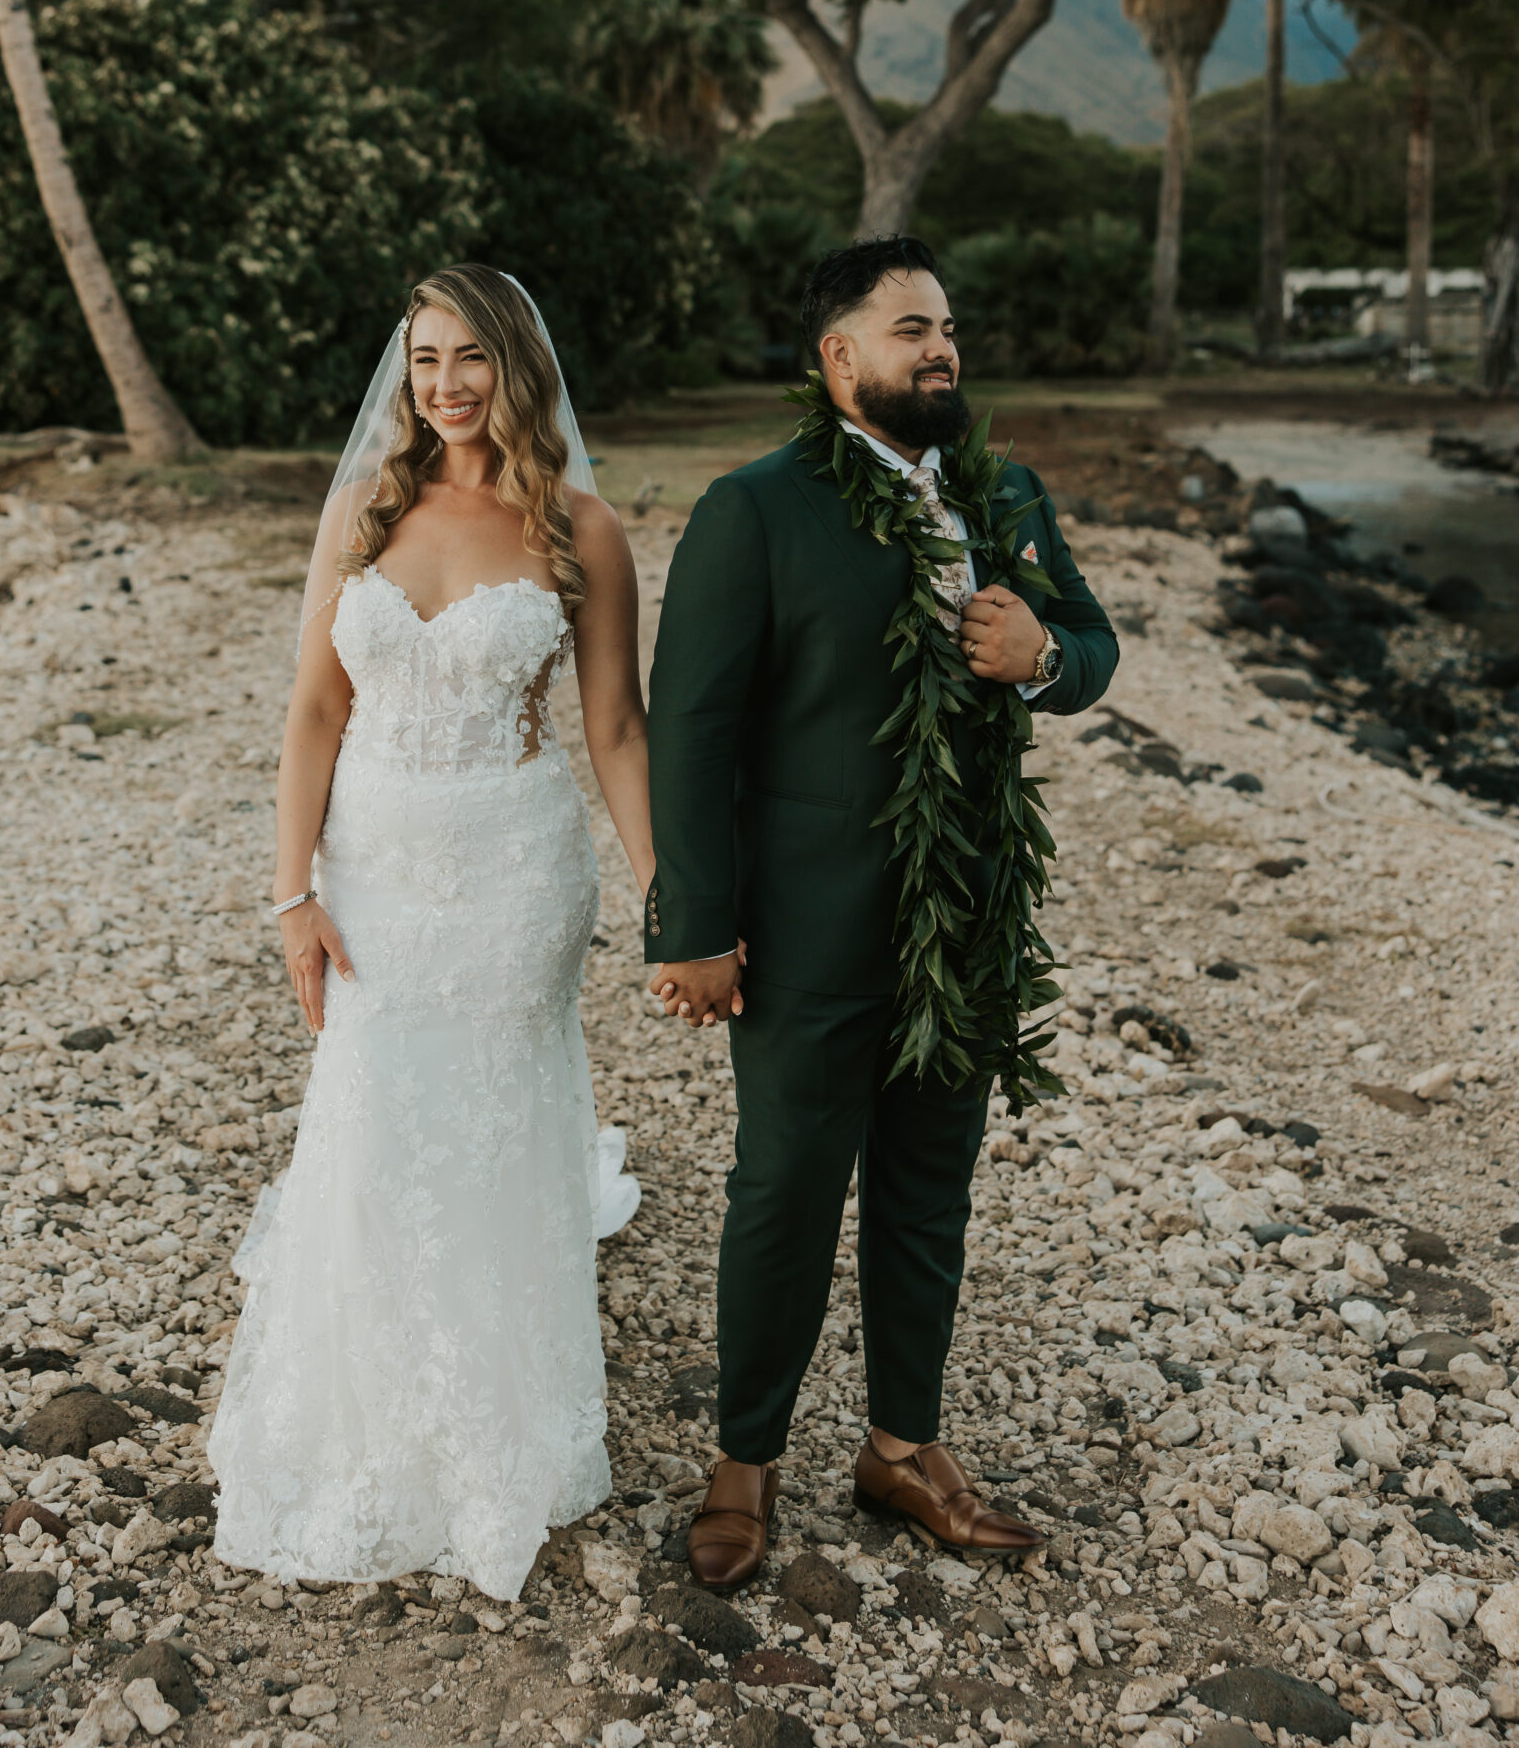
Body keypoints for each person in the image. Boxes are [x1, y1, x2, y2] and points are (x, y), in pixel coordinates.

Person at [644, 236, 1118, 1589]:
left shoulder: (1003, 490)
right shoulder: (759, 508)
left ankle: (903, 1449)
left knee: (928, 1194)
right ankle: (746, 1459)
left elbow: (1092, 645)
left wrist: (1042, 661)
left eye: (948, 327)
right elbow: (693, 725)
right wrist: (693, 921)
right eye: (912, 329)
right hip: (806, 926)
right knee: (784, 1192)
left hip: (965, 916)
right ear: (837, 356)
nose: (942, 349)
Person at [209, 264, 650, 1601]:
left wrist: (666, 890)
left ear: (516, 364)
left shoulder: (585, 527)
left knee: (497, 1134)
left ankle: (493, 1431)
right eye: (422, 361)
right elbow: (311, 714)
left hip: (514, 873)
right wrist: (292, 895)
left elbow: (616, 729)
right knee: (372, 1120)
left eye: (469, 358)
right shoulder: (362, 509)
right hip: (375, 870)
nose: (445, 385)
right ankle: (359, 1418)